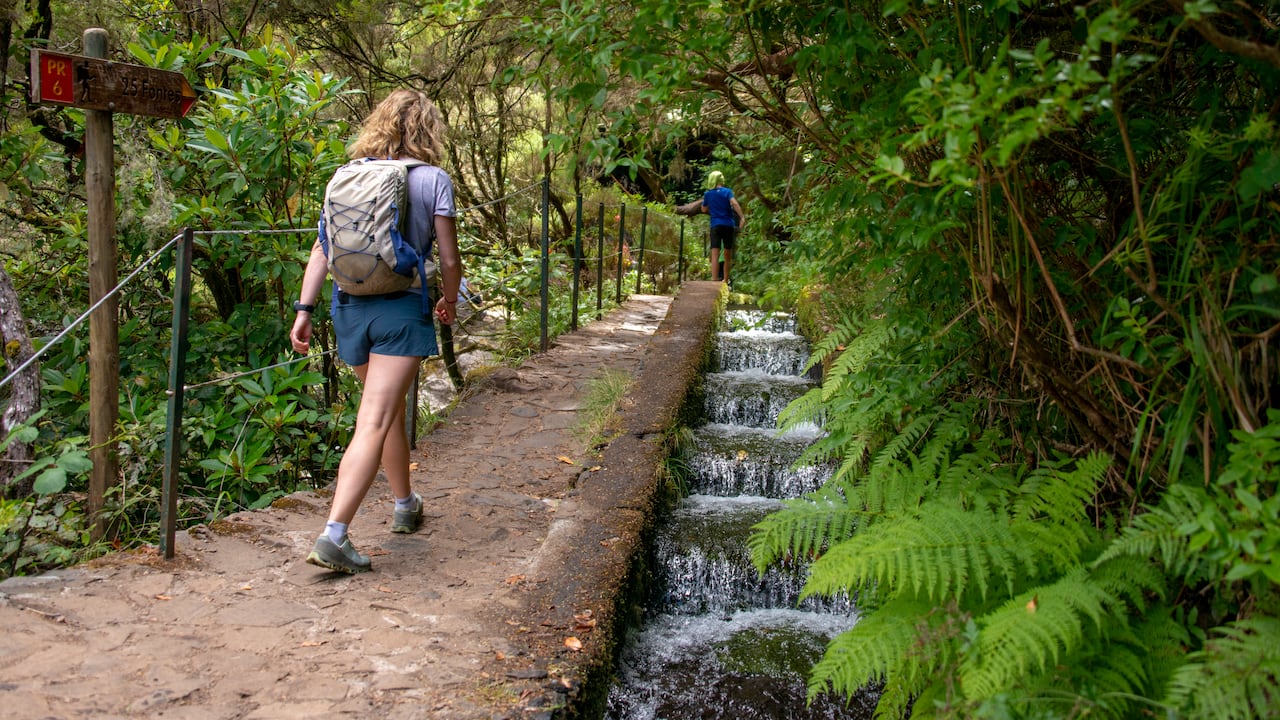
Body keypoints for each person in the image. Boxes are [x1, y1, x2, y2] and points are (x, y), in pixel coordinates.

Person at [290, 89, 462, 574]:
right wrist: (449, 299)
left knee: (382, 411)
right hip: (400, 310)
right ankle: (334, 535)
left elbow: (322, 250)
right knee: (374, 420)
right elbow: (448, 258)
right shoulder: (432, 179)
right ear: (428, 129)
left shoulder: (345, 176)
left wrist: (304, 309)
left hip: (349, 308)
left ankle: (405, 504)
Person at [701, 170, 744, 283]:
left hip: (715, 225)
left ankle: (714, 280)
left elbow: (704, 209)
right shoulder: (727, 192)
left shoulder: (708, 194)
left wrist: (713, 209)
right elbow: (734, 203)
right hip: (728, 225)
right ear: (721, 180)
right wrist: (742, 217)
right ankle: (725, 279)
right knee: (727, 253)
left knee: (715, 253)